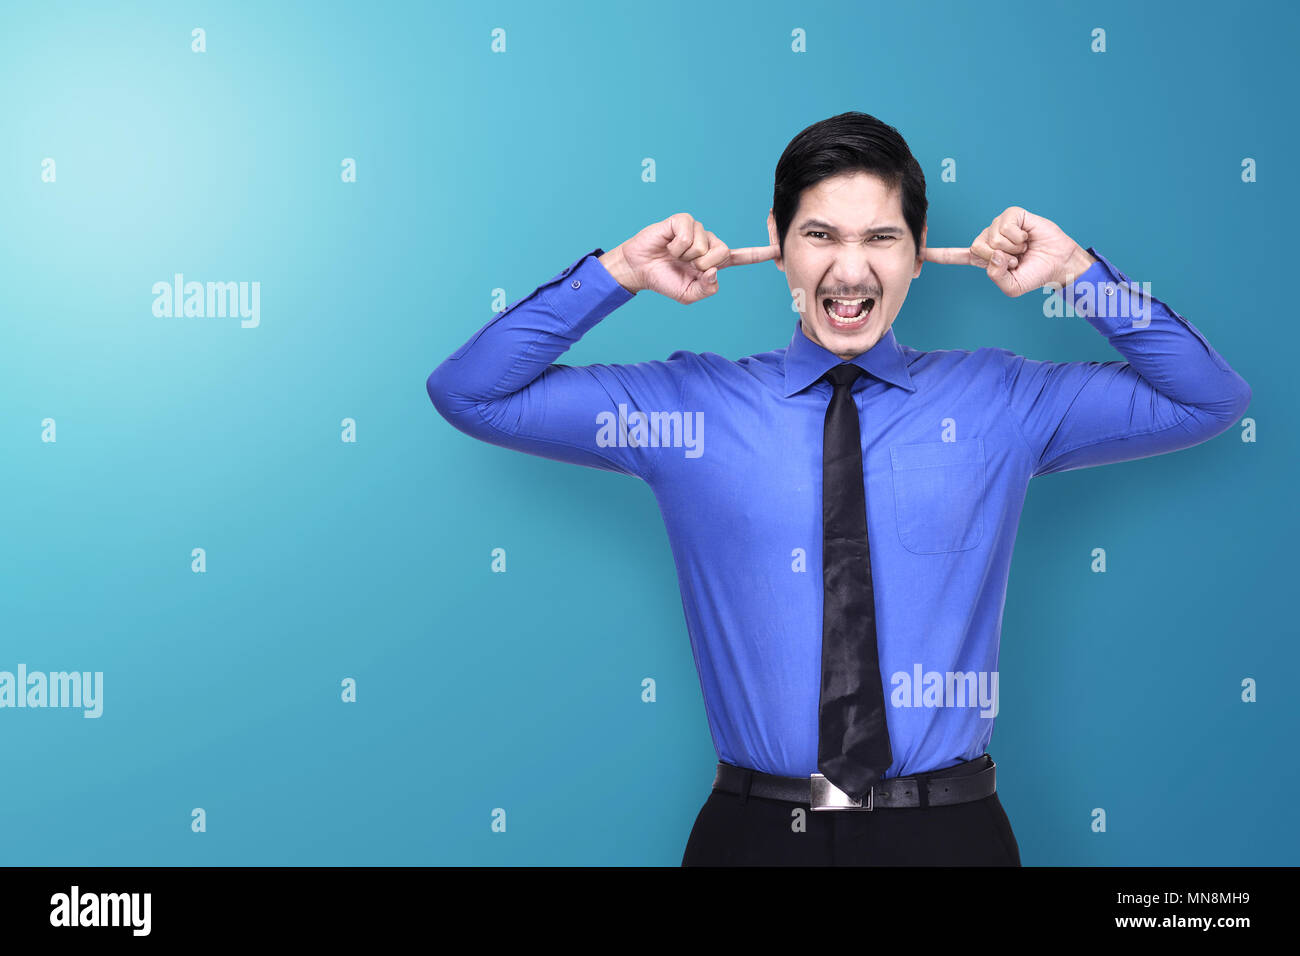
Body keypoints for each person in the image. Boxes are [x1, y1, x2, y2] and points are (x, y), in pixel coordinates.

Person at [426, 111, 1251, 866]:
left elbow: (1206, 398)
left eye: (881, 238)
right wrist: (618, 273)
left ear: (920, 250)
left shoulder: (1004, 401)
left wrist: (1075, 271)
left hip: (949, 835)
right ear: (776, 242)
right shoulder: (686, 409)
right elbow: (471, 392)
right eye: (819, 234)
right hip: (755, 834)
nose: (850, 269)